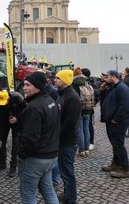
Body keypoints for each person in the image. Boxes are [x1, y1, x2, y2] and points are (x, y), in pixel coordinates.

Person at [17, 71, 60, 204]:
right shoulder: (50, 101)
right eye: (24, 84)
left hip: (36, 159)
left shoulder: (34, 107)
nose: (24, 88)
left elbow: (30, 138)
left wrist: (21, 155)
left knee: (29, 195)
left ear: (38, 87)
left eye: (28, 85)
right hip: (50, 157)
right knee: (48, 190)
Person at [54, 69, 81, 204]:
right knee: (64, 170)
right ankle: (68, 194)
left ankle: (71, 199)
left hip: (68, 141)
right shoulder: (63, 94)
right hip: (63, 140)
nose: (55, 80)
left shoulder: (72, 97)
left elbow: (70, 122)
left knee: (67, 171)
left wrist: (57, 135)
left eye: (58, 78)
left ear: (64, 81)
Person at [100, 70, 129, 178]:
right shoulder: (112, 87)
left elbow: (125, 106)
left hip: (118, 122)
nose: (105, 79)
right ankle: (116, 164)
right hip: (111, 120)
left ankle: (124, 169)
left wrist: (116, 119)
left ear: (113, 77)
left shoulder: (122, 88)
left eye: (107, 77)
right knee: (115, 144)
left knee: (118, 144)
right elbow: (105, 101)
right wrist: (103, 91)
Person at [0, 90, 25, 178]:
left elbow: (25, 111)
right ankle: (2, 163)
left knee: (15, 144)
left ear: (9, 97)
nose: (3, 104)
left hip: (16, 121)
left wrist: (17, 118)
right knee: (1, 142)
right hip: (4, 121)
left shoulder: (18, 98)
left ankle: (13, 166)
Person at [72, 67, 93, 157]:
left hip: (79, 109)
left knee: (79, 129)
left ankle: (81, 150)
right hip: (88, 108)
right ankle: (87, 149)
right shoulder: (86, 81)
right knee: (86, 129)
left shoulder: (74, 83)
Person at [81, 68, 99, 150]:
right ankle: (89, 143)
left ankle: (89, 142)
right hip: (90, 109)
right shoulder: (92, 83)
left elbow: (97, 93)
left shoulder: (83, 83)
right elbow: (97, 94)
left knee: (87, 127)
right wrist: (93, 103)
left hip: (85, 109)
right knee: (88, 126)